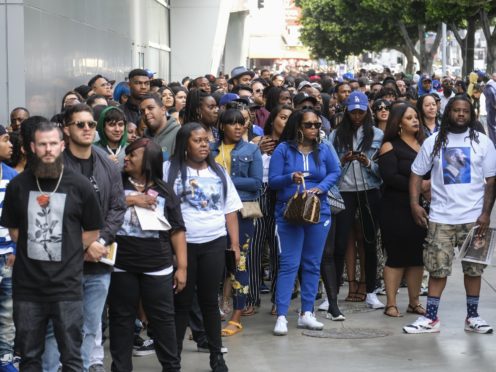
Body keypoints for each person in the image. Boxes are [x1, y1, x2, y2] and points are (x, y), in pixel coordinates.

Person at [0, 122, 103, 371]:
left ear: (62, 145)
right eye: (43, 144)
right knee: (30, 358)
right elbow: (14, 232)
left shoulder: (79, 185)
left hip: (66, 286)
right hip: (27, 288)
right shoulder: (18, 185)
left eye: (53, 144)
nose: (48, 150)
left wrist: (67, 248)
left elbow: (92, 232)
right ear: (32, 147)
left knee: (72, 358)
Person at [42, 104, 126, 372]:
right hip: (63, 265)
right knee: (57, 328)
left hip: (99, 262)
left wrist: (99, 241)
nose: (88, 129)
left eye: (91, 124)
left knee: (91, 326)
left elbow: (117, 207)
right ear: (66, 129)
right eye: (81, 124)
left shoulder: (107, 164)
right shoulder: (52, 166)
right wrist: (84, 244)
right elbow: (47, 214)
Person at [403, 96, 496, 334]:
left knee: (474, 269)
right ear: (449, 113)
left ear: (471, 114)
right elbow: (416, 174)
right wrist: (415, 204)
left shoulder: (483, 143)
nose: (461, 114)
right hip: (441, 217)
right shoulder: (434, 142)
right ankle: (431, 319)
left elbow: (491, 180)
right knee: (437, 269)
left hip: (474, 219)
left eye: (465, 111)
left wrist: (486, 213)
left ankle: (473, 317)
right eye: (456, 110)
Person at [165, 122, 242, 372]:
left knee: (210, 301)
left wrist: (234, 244)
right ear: (184, 143)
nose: (203, 144)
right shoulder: (169, 170)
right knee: (181, 303)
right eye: (197, 140)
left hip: (214, 243)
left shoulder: (218, 171)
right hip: (182, 245)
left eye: (206, 140)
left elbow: (230, 210)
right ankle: (172, 360)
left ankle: (216, 357)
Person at [108, 138, 187, 372]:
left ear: (149, 160)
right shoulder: (116, 184)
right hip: (121, 265)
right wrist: (132, 199)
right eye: (128, 154)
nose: (127, 158)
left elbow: (177, 230)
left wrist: (182, 267)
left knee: (163, 320)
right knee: (121, 320)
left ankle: (171, 367)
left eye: (133, 155)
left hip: (158, 266)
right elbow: (100, 205)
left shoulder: (164, 191)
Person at [269, 109, 341, 336]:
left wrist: (321, 188)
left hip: (318, 210)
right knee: (289, 263)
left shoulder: (325, 147)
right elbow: (272, 182)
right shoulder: (283, 149)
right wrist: (290, 177)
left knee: (312, 262)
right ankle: (281, 315)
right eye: (309, 125)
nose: (314, 129)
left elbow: (335, 171)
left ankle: (306, 313)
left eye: (317, 125)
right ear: (298, 127)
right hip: (289, 211)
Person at [330, 91, 385, 310]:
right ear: (346, 112)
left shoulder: (378, 135)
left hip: (369, 189)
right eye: (352, 112)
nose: (356, 116)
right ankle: (332, 293)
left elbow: (383, 171)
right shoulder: (335, 135)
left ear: (367, 111)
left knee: (369, 241)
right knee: (340, 242)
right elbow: (330, 168)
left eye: (361, 111)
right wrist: (343, 161)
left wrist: (367, 162)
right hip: (344, 191)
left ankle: (370, 290)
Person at [211, 108, 262, 335]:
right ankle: (211, 316)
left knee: (238, 263)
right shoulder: (210, 149)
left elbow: (256, 183)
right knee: (212, 265)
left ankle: (237, 315)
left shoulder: (252, 149)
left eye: (241, 123)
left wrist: (225, 179)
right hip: (212, 213)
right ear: (222, 126)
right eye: (232, 123)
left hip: (241, 213)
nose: (238, 127)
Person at [378, 103, 427, 317]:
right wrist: (419, 186)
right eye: (409, 118)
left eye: (416, 117)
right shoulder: (390, 145)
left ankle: (414, 302)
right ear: (398, 123)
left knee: (417, 257)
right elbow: (390, 177)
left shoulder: (425, 144)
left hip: (422, 207)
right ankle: (391, 303)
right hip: (395, 207)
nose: (415, 120)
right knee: (397, 256)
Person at [248, 105, 293, 315]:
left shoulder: (292, 146)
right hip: (257, 193)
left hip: (280, 194)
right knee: (254, 249)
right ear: (273, 119)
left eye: (288, 118)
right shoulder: (257, 141)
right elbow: (243, 166)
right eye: (282, 117)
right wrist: (258, 151)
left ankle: (277, 299)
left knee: (278, 249)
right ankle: (251, 298)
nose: (285, 122)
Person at [0, 126, 17, 371]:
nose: (10, 143)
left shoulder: (11, 175)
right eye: (5, 140)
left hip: (7, 257)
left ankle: (5, 357)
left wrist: (14, 247)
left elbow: (18, 217)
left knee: (7, 312)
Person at [140, 93, 180, 161]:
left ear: (163, 110)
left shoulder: (179, 134)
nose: (146, 113)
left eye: (150, 108)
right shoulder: (144, 138)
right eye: (142, 111)